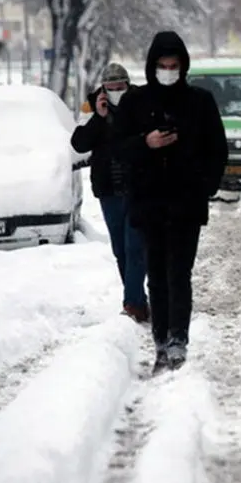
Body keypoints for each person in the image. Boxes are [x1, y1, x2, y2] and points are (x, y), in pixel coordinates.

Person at [112, 31, 228, 371]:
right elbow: (118, 147)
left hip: (186, 203)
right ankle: (161, 337)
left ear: (183, 66)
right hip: (148, 203)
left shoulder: (200, 102)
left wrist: (205, 185)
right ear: (151, 66)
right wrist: (145, 143)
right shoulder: (135, 103)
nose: (167, 71)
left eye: (173, 66)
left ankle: (179, 338)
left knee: (180, 272)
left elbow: (217, 149)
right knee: (156, 274)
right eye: (161, 65)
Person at [70, 63, 149, 323]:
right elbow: (79, 142)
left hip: (138, 187)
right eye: (111, 88)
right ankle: (137, 298)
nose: (116, 92)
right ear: (103, 88)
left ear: (128, 85)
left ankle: (132, 304)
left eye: (120, 87)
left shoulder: (141, 102)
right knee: (121, 249)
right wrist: (98, 117)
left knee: (135, 246)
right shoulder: (91, 106)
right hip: (108, 190)